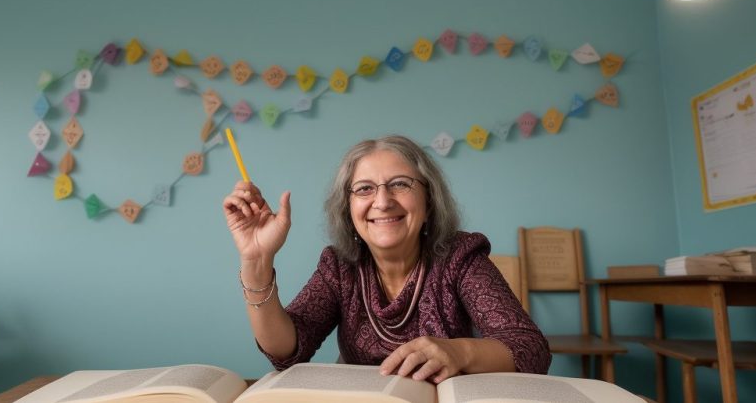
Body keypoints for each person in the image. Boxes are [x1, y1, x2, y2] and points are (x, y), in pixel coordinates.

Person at [222, 134, 550, 383]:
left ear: (429, 201)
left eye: (400, 184)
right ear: (348, 211)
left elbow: (530, 347)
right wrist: (256, 262)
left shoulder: (460, 257)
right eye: (364, 189)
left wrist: (458, 351)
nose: (382, 201)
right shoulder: (339, 266)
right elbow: (287, 352)